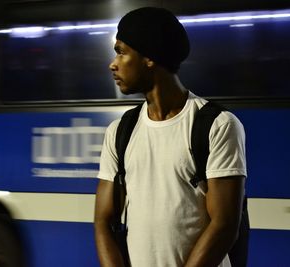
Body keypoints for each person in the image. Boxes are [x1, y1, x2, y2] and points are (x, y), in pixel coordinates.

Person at [94, 7, 247, 267]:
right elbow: (104, 221)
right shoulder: (120, 131)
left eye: (121, 52)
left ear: (149, 58)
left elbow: (225, 226)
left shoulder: (216, 125)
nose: (113, 63)